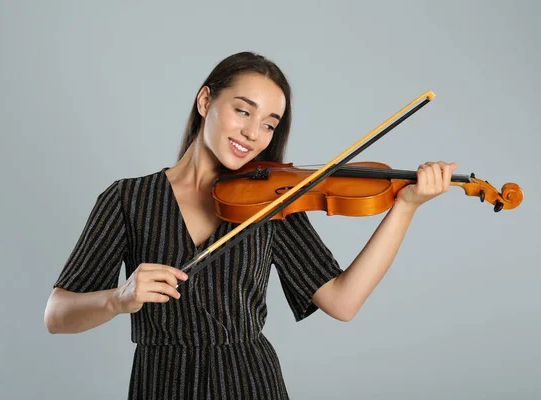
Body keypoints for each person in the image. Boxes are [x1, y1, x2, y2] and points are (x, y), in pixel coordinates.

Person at [44, 51, 457, 399]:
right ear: (206, 101)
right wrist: (119, 298)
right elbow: (57, 315)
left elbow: (342, 302)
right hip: (159, 382)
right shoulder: (127, 199)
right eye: (242, 110)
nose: (253, 134)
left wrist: (405, 207)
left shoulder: (274, 198)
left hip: (248, 381)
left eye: (269, 124)